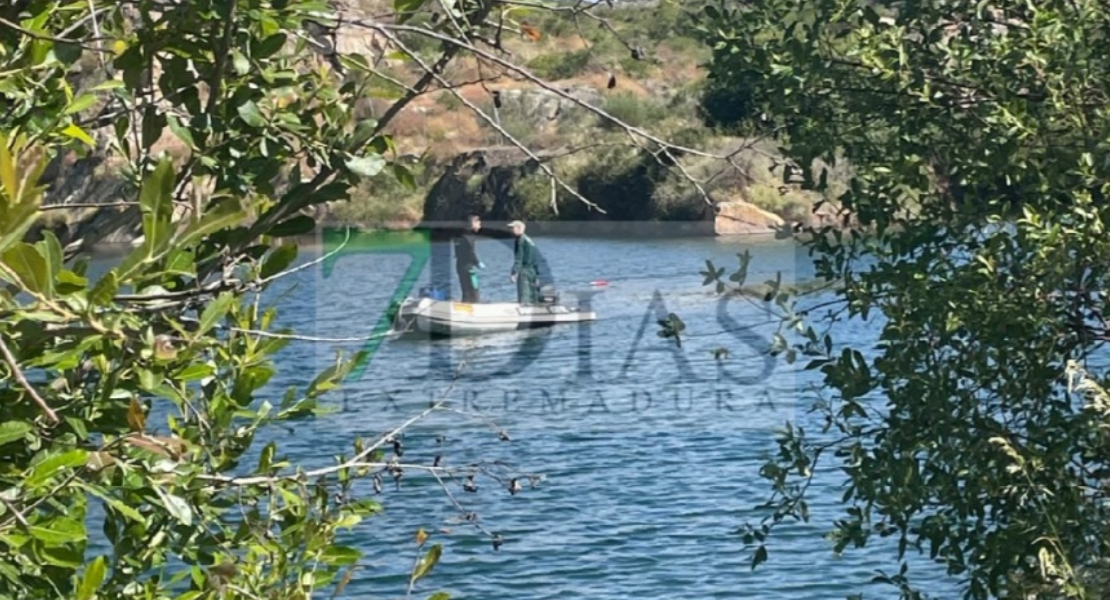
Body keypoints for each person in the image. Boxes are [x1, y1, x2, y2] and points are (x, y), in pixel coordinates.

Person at [453, 215, 484, 303]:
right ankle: (475, 306)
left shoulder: (459, 235)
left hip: (459, 265)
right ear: (473, 223)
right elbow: (470, 252)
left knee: (465, 289)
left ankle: (465, 304)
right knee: (474, 288)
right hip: (468, 266)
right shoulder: (468, 237)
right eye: (479, 224)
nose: (480, 226)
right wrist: (477, 262)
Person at [508, 220, 539, 305]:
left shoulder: (520, 240)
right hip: (532, 271)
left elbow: (519, 258)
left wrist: (514, 272)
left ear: (519, 228)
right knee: (532, 296)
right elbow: (536, 258)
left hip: (524, 271)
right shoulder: (529, 240)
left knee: (524, 296)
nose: (510, 230)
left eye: (512, 228)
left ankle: (524, 313)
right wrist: (538, 274)